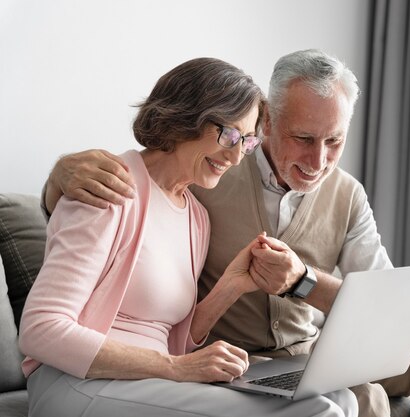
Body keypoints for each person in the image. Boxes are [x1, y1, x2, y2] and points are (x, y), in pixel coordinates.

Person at [42, 49, 410, 417]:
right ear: (267, 120)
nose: (318, 159)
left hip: (313, 350)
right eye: (304, 138)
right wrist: (58, 179)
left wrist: (301, 282)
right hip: (237, 355)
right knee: (359, 398)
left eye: (335, 141)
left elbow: (384, 306)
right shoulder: (209, 173)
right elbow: (133, 187)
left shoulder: (344, 194)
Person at [19, 57, 358, 417]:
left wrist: (231, 285)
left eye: (246, 142)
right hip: (77, 382)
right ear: (184, 119)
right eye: (228, 134)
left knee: (340, 400)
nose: (235, 156)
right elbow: (41, 330)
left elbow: (174, 344)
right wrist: (176, 369)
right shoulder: (109, 187)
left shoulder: (195, 216)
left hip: (150, 383)